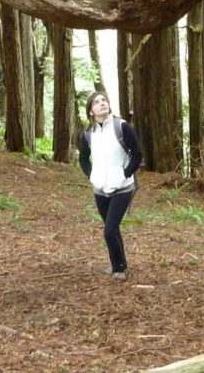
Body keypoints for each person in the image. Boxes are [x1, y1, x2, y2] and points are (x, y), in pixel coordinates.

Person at [77, 92, 143, 280]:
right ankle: (120, 265)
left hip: (123, 187)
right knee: (112, 229)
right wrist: (93, 176)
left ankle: (119, 270)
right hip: (100, 189)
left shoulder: (122, 126)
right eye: (96, 102)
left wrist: (126, 173)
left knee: (109, 230)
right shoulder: (88, 134)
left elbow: (137, 153)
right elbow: (83, 158)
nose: (102, 103)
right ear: (91, 111)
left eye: (104, 100)